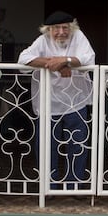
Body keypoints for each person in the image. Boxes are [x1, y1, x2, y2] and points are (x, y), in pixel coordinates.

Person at [18, 11, 95, 190]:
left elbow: (88, 59)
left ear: (71, 28)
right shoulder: (43, 40)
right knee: (46, 146)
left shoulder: (79, 36)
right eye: (56, 28)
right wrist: (57, 64)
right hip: (47, 102)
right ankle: (49, 186)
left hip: (76, 101)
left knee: (78, 145)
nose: (61, 32)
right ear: (48, 30)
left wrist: (65, 60)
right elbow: (23, 59)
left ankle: (74, 185)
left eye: (65, 27)